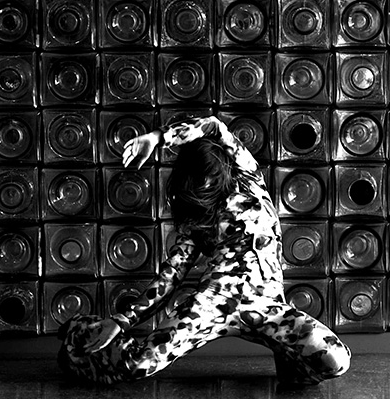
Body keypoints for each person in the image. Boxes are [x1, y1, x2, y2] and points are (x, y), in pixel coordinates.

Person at [57, 116, 351, 385]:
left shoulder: (250, 178)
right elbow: (171, 277)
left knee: (335, 360)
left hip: (268, 306)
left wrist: (158, 137)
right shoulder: (196, 219)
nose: (206, 184)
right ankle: (79, 332)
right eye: (198, 180)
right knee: (137, 364)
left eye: (209, 175)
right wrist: (123, 320)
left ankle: (288, 365)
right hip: (211, 304)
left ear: (221, 167)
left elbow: (214, 125)